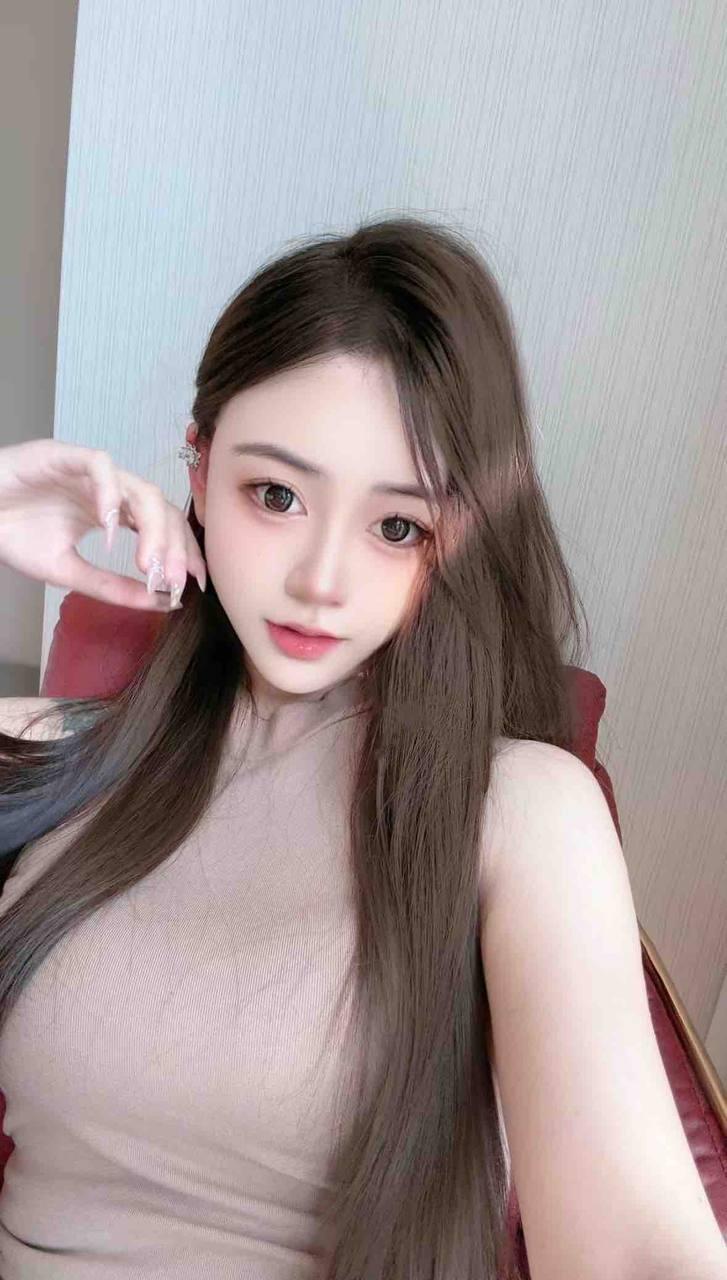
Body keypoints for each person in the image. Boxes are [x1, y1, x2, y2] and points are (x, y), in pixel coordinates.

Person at [0, 217, 724, 1280]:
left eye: (397, 526)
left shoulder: (520, 810)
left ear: (457, 535)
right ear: (199, 468)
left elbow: (629, 1246)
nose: (321, 581)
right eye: (276, 495)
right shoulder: (48, 755)